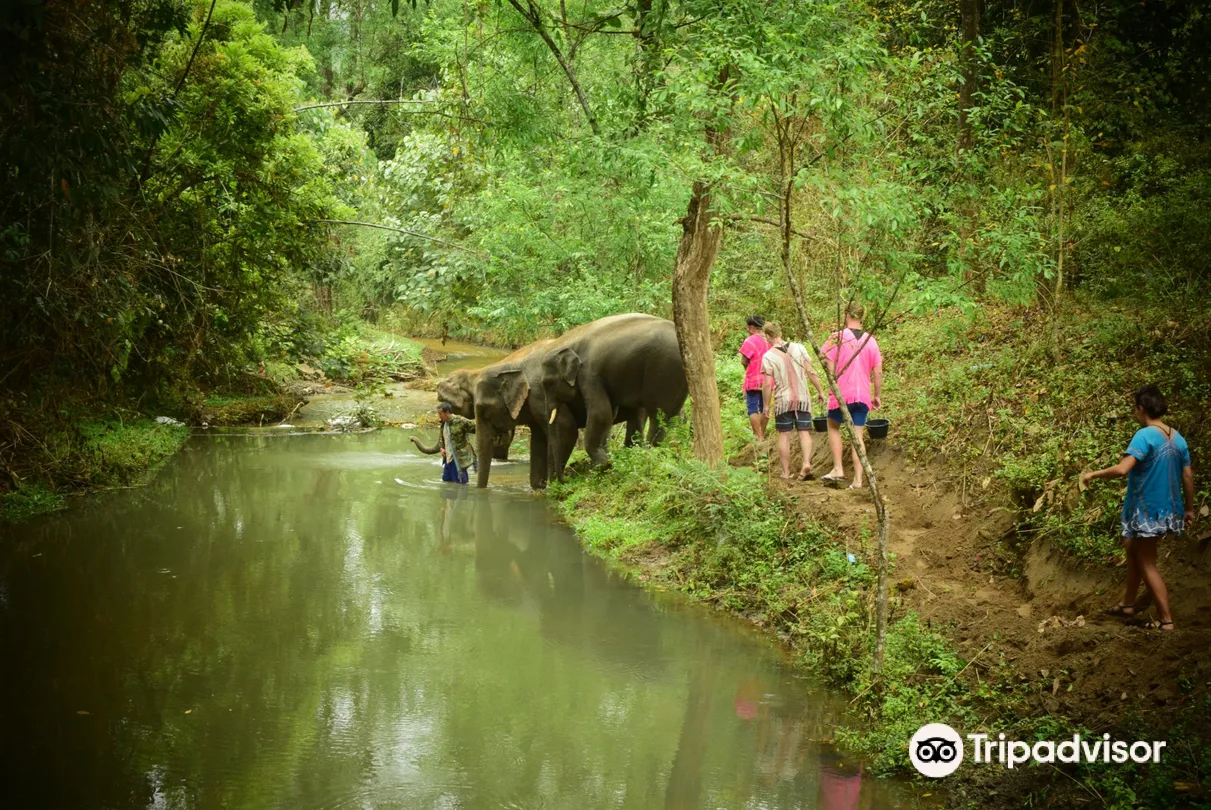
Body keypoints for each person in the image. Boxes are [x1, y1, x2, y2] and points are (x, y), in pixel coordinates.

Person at [1080, 385, 1195, 631]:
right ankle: (1128, 604)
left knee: (1147, 562)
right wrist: (1189, 509)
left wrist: (1093, 474)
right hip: (1169, 510)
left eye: (1135, 409)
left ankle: (1166, 620)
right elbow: (1187, 476)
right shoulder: (1178, 438)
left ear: (1141, 409)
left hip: (1148, 511)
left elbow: (1123, 469)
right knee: (1132, 547)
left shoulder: (1144, 435)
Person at [820, 303, 882, 489]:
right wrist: (877, 395)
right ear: (862, 317)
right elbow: (877, 372)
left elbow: (828, 363)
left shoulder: (837, 337)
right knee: (858, 436)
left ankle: (838, 468)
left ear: (846, 315)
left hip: (841, 393)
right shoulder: (870, 340)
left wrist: (832, 382)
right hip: (862, 395)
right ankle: (858, 480)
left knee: (833, 426)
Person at [760, 322, 827, 480]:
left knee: (784, 435)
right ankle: (806, 462)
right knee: (804, 432)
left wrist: (765, 406)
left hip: (783, 401)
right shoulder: (799, 348)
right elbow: (810, 371)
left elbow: (768, 384)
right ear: (781, 332)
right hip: (802, 399)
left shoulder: (768, 356)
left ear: (768, 336)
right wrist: (820, 390)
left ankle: (785, 472)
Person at [739, 315, 770, 442]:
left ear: (752, 327)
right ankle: (763, 432)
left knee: (752, 408)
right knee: (765, 407)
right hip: (768, 379)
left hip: (753, 379)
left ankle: (759, 437)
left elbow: (744, 361)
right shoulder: (770, 340)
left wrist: (748, 370)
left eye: (748, 327)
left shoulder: (750, 341)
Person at [436, 401, 477, 484]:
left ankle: (463, 496)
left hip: (459, 459)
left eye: (440, 414)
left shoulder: (460, 421)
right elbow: (442, 438)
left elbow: (476, 428)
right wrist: (441, 448)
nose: (439, 416)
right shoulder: (443, 424)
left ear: (447, 412)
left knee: (461, 483)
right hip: (448, 458)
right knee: (446, 480)